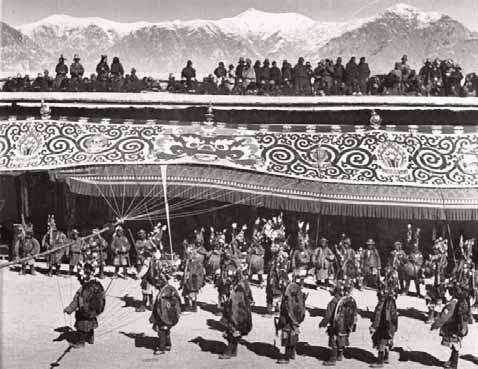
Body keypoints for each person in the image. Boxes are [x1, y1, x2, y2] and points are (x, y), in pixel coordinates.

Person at [64, 263, 105, 348]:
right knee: (90, 324)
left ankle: (80, 342)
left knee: (81, 325)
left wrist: (69, 309)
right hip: (94, 311)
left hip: (85, 310)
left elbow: (77, 300)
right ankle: (90, 338)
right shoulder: (98, 285)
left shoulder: (85, 288)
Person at [431, 281, 470, 369]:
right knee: (454, 346)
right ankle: (451, 361)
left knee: (454, 346)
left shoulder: (452, 304)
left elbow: (444, 317)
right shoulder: (460, 301)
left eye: (447, 292)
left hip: (453, 328)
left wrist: (435, 325)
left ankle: (453, 364)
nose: (445, 294)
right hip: (460, 327)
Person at [319, 279, 357, 366]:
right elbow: (354, 313)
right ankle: (340, 355)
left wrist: (323, 323)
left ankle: (332, 358)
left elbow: (328, 315)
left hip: (336, 325)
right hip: (346, 326)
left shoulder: (333, 302)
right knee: (342, 339)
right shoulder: (349, 300)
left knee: (334, 341)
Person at [219, 269, 253, 359]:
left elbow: (236, 304)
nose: (229, 278)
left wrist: (234, 316)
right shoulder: (236, 285)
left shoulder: (239, 287)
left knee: (233, 331)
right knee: (232, 331)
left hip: (238, 313)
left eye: (231, 276)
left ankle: (229, 351)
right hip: (236, 311)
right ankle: (234, 350)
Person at [369, 268, 400, 367]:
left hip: (383, 325)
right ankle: (386, 358)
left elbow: (378, 314)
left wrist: (374, 326)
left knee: (381, 342)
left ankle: (380, 362)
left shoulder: (382, 303)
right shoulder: (392, 301)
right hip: (391, 324)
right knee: (387, 340)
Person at [275, 276, 307, 364]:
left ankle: (286, 357)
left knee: (287, 337)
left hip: (289, 321)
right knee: (293, 335)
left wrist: (281, 323)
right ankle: (292, 353)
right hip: (295, 320)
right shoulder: (296, 296)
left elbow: (287, 311)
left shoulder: (288, 299)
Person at [149, 268, 182, 355]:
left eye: (160, 279)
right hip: (160, 314)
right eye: (157, 280)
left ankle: (161, 347)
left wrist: (169, 304)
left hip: (167, 314)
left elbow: (176, 301)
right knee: (165, 330)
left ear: (165, 280)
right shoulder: (162, 289)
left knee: (162, 330)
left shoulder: (169, 289)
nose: (158, 281)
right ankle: (168, 345)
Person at [181, 240, 207, 311]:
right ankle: (189, 306)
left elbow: (203, 260)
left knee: (191, 289)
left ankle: (192, 306)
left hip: (195, 273)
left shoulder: (202, 252)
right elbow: (186, 257)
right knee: (187, 290)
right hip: (190, 271)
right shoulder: (192, 250)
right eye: (197, 243)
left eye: (199, 243)